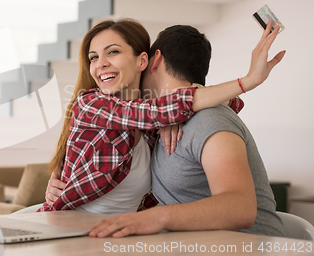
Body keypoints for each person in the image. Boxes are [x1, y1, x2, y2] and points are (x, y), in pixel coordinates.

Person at [39, 18, 282, 216]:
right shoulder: (90, 103)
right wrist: (247, 81)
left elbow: (233, 102)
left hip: (113, 237)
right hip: (67, 225)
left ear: (145, 61)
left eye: (112, 52)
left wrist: (177, 112)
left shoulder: (153, 125)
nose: (100, 64)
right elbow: (158, 111)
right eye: (93, 57)